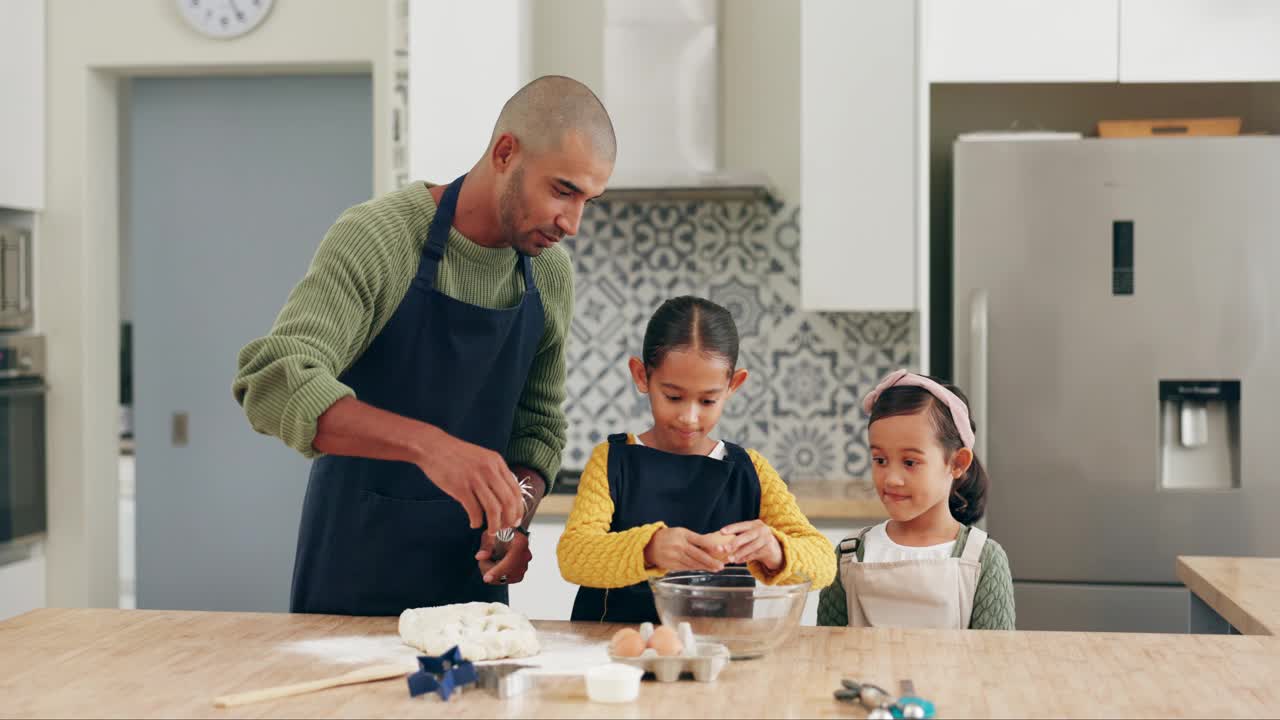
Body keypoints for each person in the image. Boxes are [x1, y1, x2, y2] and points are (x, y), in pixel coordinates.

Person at [231, 75, 615, 615]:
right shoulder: (379, 237)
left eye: (588, 201)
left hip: (471, 595)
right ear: (505, 152)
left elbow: (538, 429)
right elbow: (273, 379)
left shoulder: (549, 273)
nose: (572, 223)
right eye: (562, 190)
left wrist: (514, 519)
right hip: (352, 584)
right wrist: (431, 447)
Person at [557, 296, 836, 623]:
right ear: (641, 376)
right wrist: (650, 548)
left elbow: (824, 563)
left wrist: (775, 548)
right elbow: (574, 557)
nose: (689, 417)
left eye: (707, 400)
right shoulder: (611, 462)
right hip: (614, 653)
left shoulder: (750, 471)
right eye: (673, 397)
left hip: (718, 654)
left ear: (733, 385)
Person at [817, 370, 1015, 629]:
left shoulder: (983, 560)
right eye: (880, 460)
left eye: (910, 462)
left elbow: (993, 663)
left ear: (957, 463)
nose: (891, 479)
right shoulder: (849, 555)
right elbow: (828, 655)